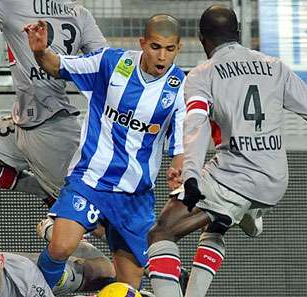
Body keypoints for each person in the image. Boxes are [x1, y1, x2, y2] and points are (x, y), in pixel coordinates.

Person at [146, 5, 307, 297]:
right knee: (216, 225)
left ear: (201, 38)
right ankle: (235, 215)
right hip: (274, 180)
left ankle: (235, 210)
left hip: (234, 175)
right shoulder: (275, 66)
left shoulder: (201, 74)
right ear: (238, 33)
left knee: (162, 233)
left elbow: (196, 124)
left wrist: (191, 176)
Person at [24, 14, 186, 290]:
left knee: (128, 285)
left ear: (178, 49)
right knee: (61, 246)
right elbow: (58, 66)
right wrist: (40, 51)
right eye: (156, 47)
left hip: (134, 197)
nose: (162, 56)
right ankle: (38, 291)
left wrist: (179, 168)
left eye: (170, 49)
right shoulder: (111, 63)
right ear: (143, 43)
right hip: (90, 179)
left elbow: (182, 146)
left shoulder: (181, 87)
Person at [0, 0, 107, 205]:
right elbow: (106, 63)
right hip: (21, 122)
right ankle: (40, 188)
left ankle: (143, 238)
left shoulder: (14, 4)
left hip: (52, 129)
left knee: (85, 215)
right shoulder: (80, 14)